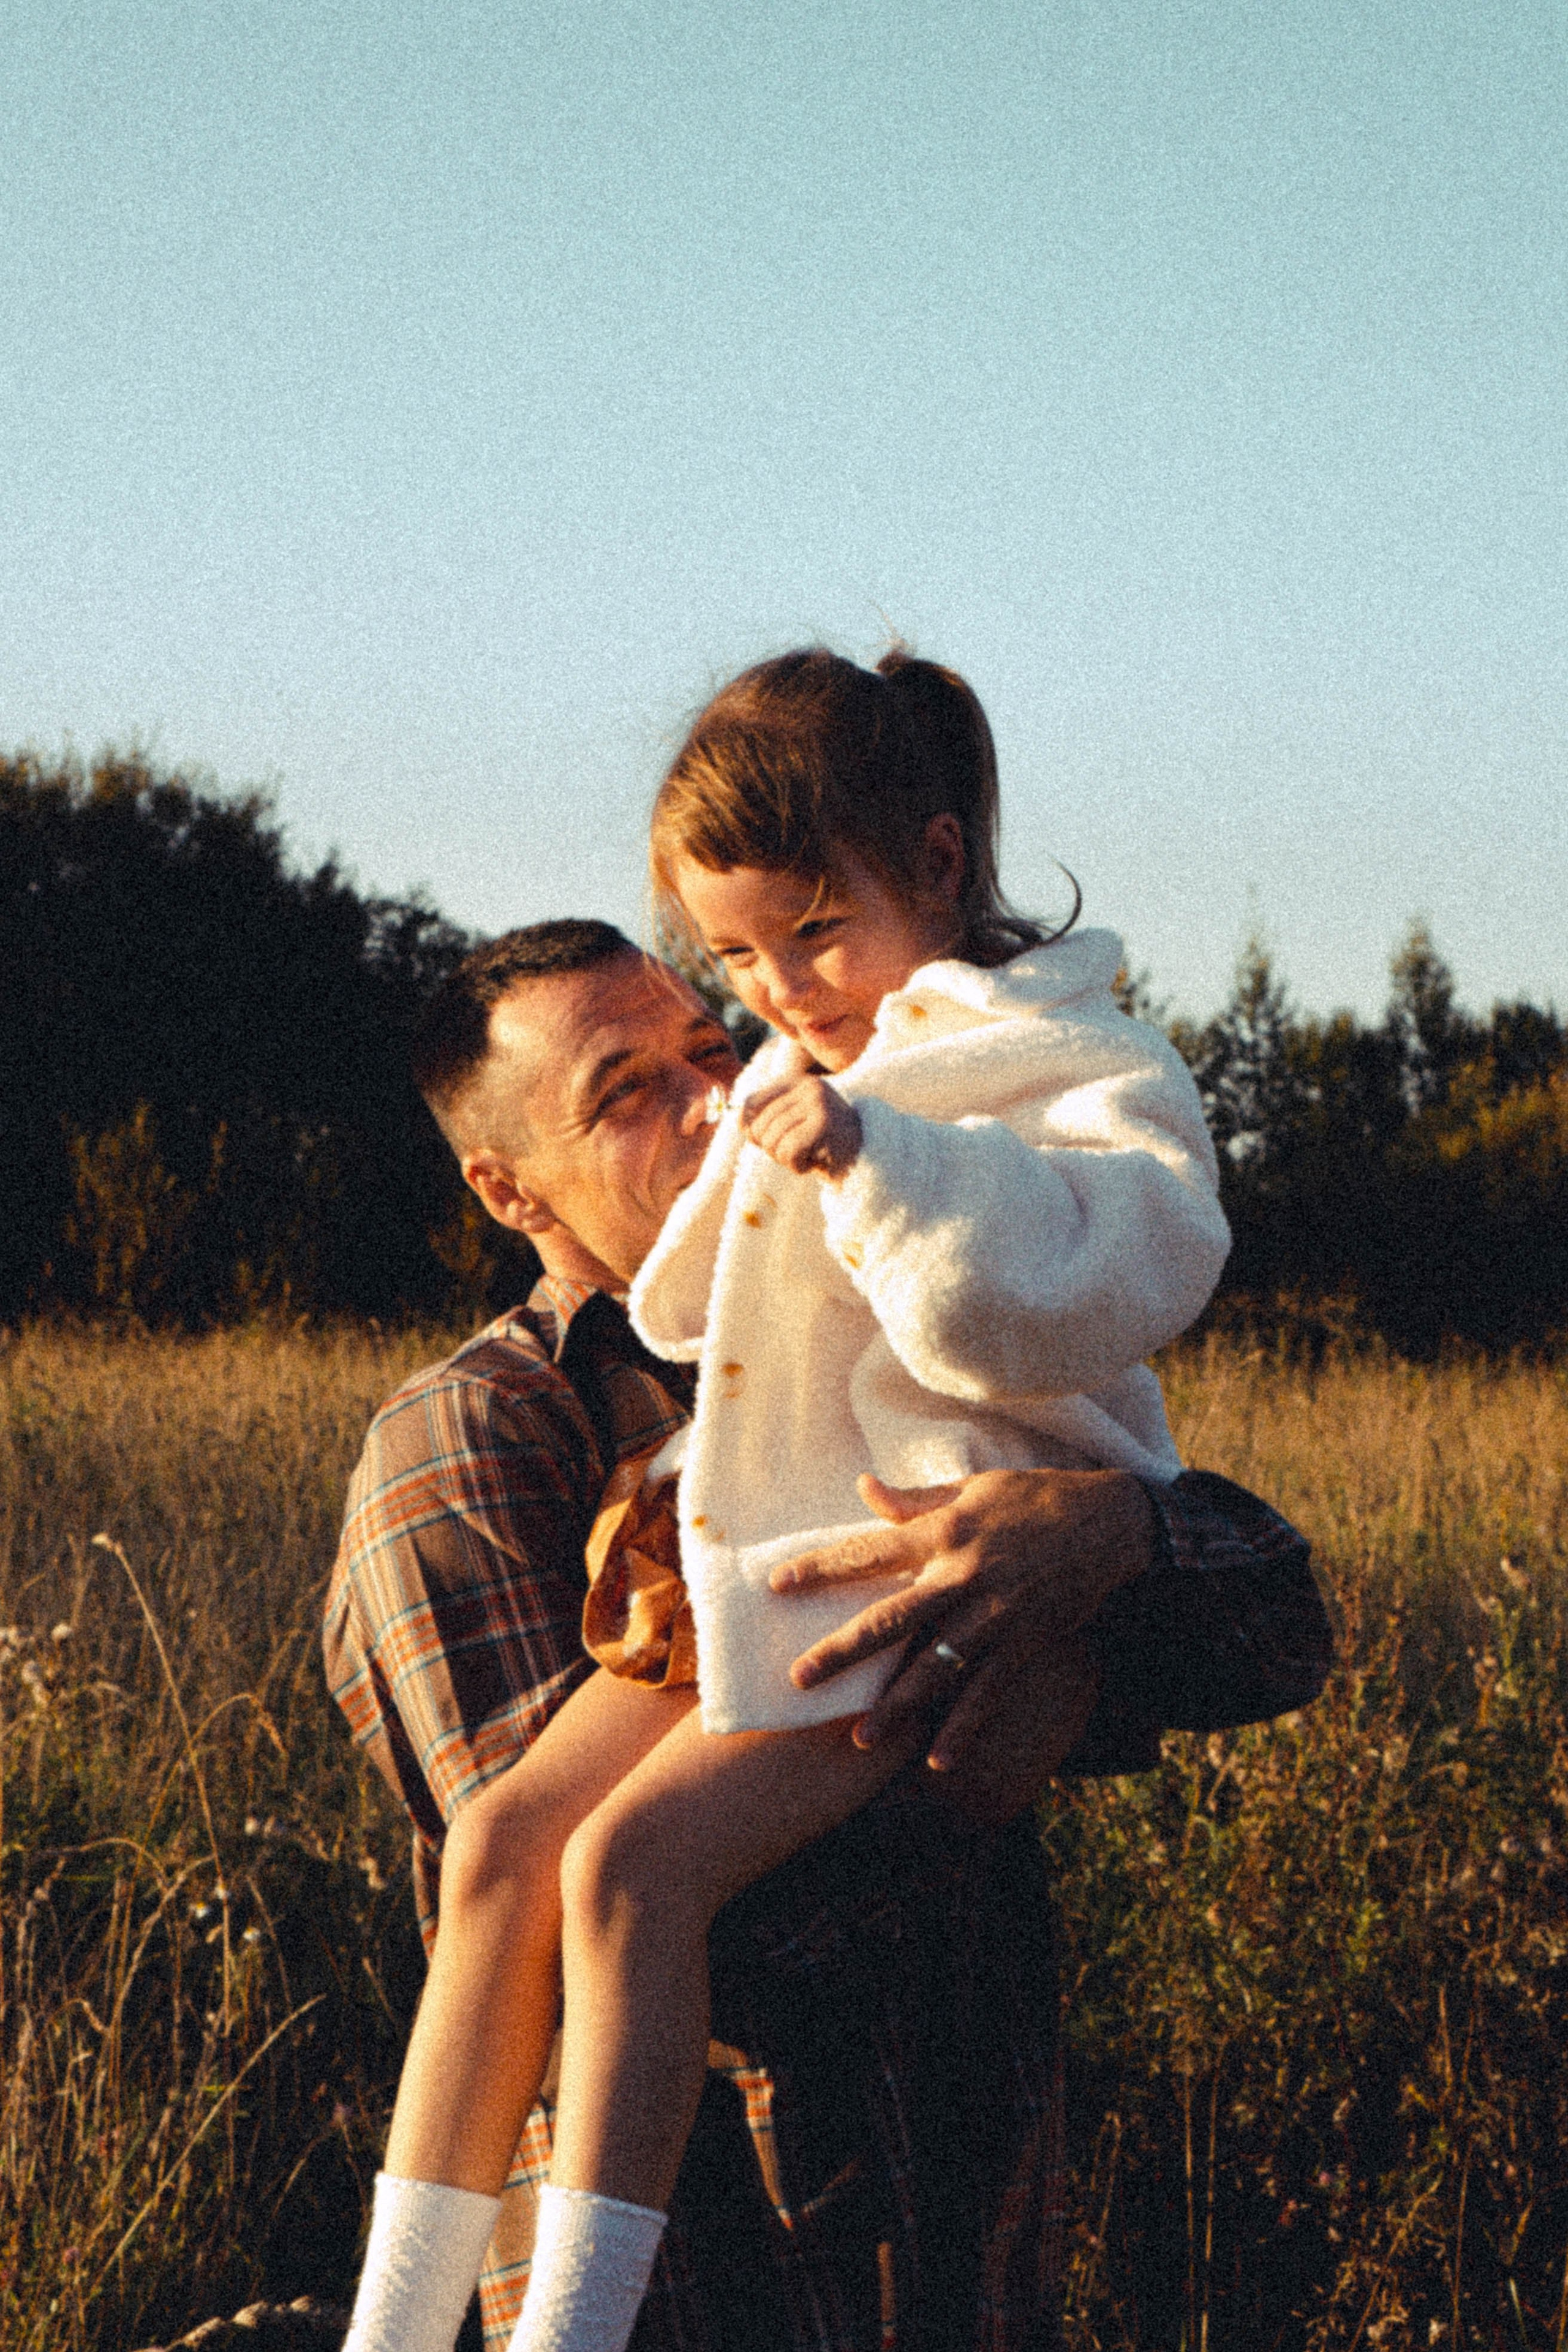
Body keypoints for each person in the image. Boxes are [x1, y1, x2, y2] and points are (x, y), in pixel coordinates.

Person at [325, 682, 1324, 2352]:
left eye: (709, 1044)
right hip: (712, 2269)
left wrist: (1100, 1569)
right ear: (504, 1192)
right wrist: (1031, 1703)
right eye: (629, 1091)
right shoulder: (479, 1434)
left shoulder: (954, 1095)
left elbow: (1278, 1608)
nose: (723, 1080)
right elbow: (727, 1886)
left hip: (926, 2228)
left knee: (626, 1863)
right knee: (541, 1850)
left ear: (926, 871)